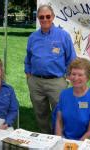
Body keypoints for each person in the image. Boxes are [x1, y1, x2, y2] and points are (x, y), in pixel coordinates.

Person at [24, 4, 76, 134]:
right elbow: (28, 58)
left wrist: (68, 79)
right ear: (38, 18)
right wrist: (29, 76)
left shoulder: (63, 36)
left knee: (61, 112)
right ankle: (45, 136)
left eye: (48, 16)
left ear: (53, 17)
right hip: (36, 82)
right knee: (40, 112)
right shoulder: (33, 37)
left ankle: (60, 138)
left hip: (56, 82)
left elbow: (71, 59)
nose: (45, 19)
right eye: (42, 17)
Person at [55, 58, 90, 141]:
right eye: (73, 74)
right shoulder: (64, 94)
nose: (76, 78)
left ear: (88, 77)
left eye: (80, 75)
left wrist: (76, 146)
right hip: (67, 138)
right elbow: (59, 121)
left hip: (89, 141)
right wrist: (58, 139)